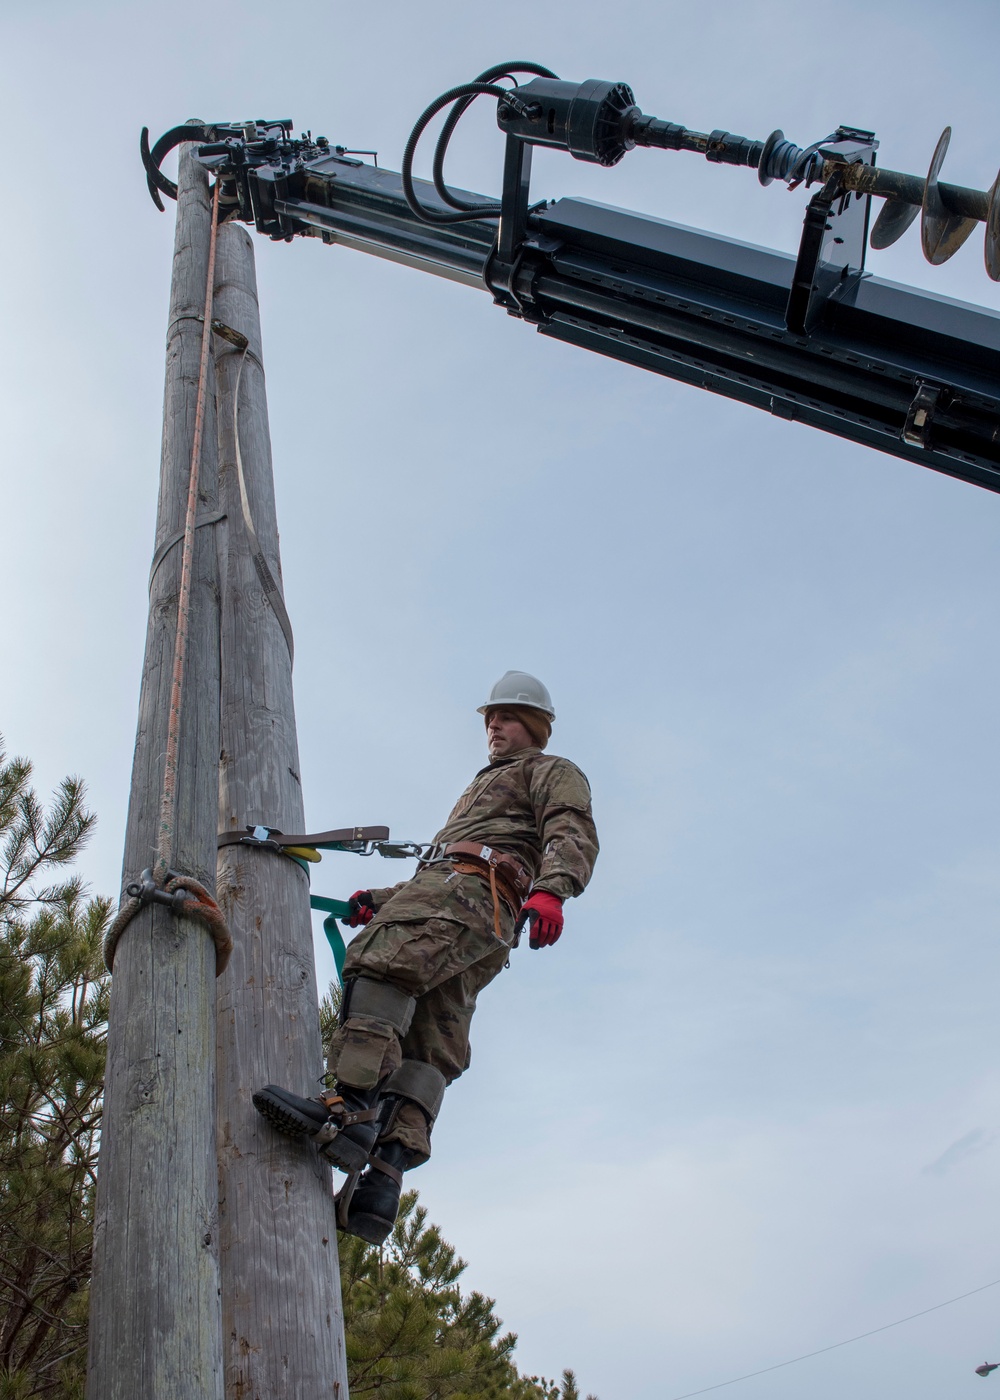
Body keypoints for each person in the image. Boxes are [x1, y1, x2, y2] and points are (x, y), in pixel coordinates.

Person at [254, 671, 599, 1243]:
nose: (494, 725)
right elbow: (442, 865)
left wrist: (554, 888)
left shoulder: (547, 770)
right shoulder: (481, 789)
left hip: (476, 891)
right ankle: (381, 1186)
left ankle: (348, 1107)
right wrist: (383, 900)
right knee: (432, 1042)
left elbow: (571, 828)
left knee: (381, 961)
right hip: (479, 908)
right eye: (490, 717)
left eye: (507, 716)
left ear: (536, 726)